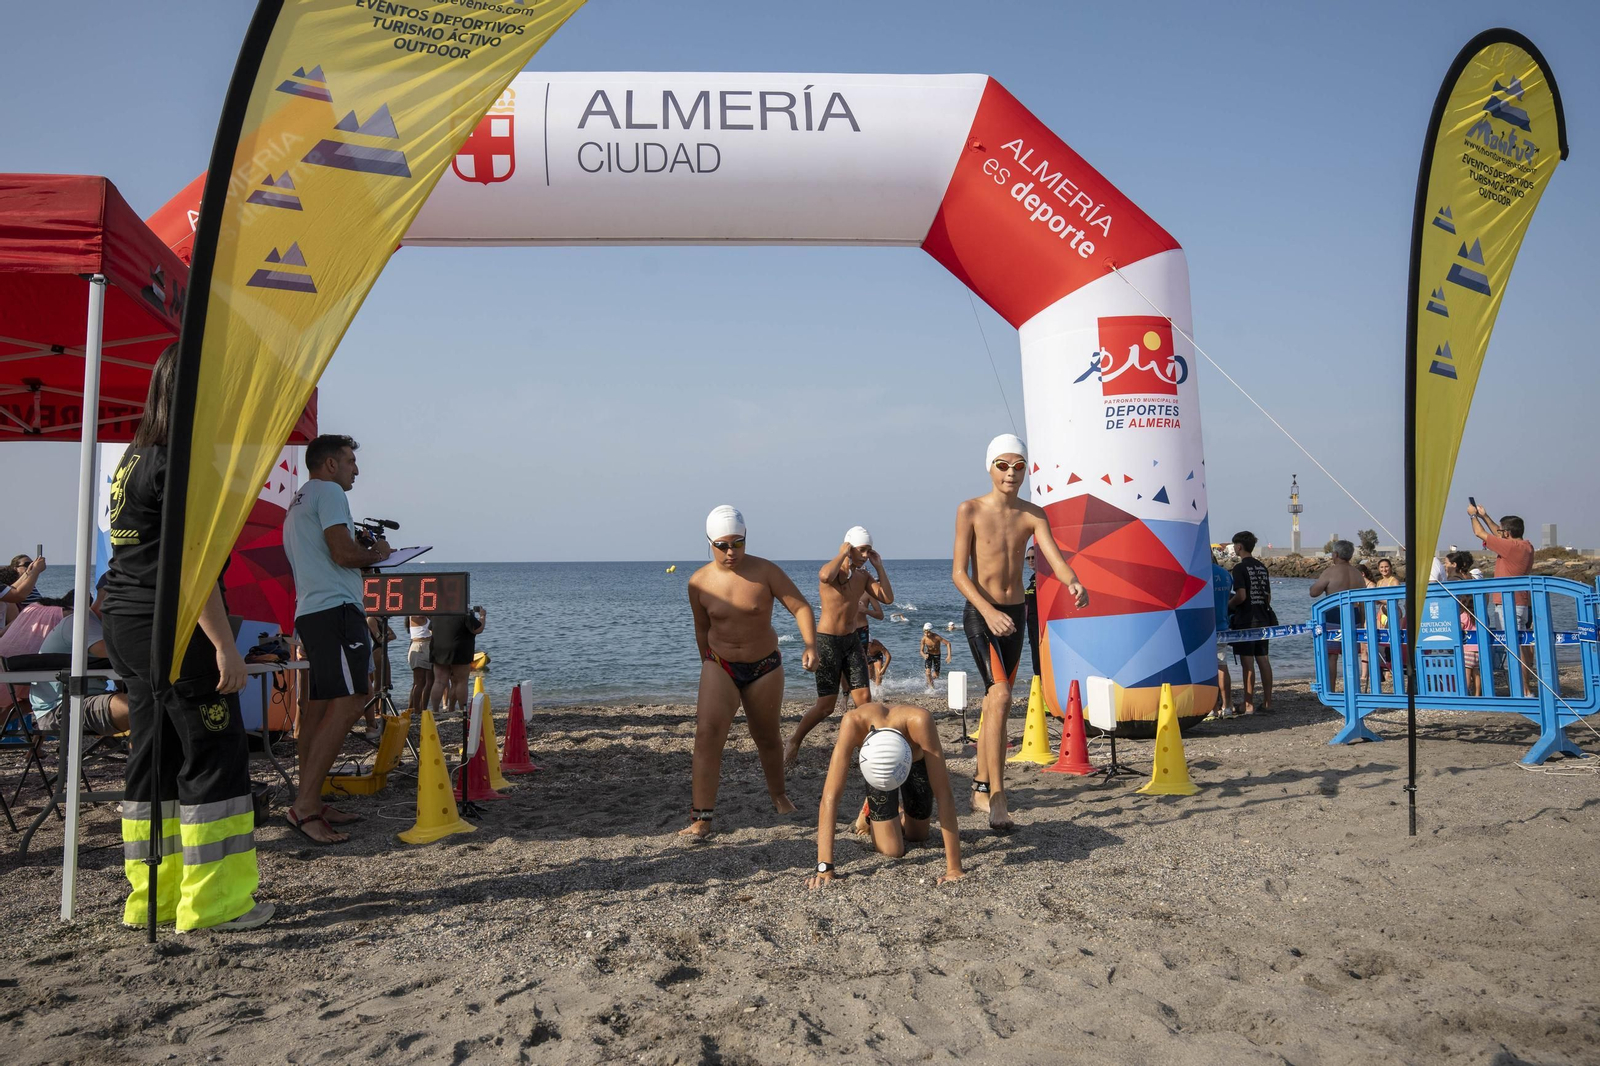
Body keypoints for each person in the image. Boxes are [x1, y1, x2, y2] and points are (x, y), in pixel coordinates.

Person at [99, 343, 270, 931]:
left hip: (124, 617)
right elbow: (193, 566)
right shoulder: (182, 462)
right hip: (172, 624)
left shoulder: (135, 456)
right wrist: (225, 645)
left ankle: (153, 898)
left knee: (154, 757)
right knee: (211, 756)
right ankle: (217, 905)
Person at [953, 434, 1088, 832]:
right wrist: (989, 611)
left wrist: (1073, 582)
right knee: (1001, 696)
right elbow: (959, 573)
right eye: (1003, 465)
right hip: (983, 614)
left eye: (1018, 466)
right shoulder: (970, 509)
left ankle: (979, 787)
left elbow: (1054, 557)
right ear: (990, 467)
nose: (1011, 473)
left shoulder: (1033, 513)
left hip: (1014, 614)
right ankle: (997, 797)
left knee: (996, 706)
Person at [281, 433, 393, 845]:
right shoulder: (329, 492)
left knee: (317, 708)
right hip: (335, 612)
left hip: (311, 610)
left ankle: (309, 796)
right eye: (350, 461)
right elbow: (344, 555)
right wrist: (378, 553)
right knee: (350, 702)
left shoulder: (298, 500)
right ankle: (306, 806)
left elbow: (325, 555)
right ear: (330, 464)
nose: (356, 469)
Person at [683, 506, 817, 839]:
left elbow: (800, 606)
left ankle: (779, 795)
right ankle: (702, 818)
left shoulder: (766, 572)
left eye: (738, 544)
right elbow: (702, 628)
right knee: (706, 735)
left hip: (764, 667)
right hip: (720, 664)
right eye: (722, 545)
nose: (731, 552)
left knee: (767, 737)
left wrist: (810, 644)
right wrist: (706, 662)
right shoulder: (698, 582)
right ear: (709, 543)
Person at [807, 702, 963, 889]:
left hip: (916, 762)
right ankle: (870, 812)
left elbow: (944, 794)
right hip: (877, 772)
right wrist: (825, 868)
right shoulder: (853, 722)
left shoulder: (920, 721)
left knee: (918, 835)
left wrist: (954, 868)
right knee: (892, 850)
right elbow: (830, 797)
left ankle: (894, 811)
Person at [783, 527, 893, 767]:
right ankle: (795, 740)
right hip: (828, 641)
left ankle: (869, 750)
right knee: (826, 707)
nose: (865, 554)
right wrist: (843, 553)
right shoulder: (830, 573)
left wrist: (879, 567)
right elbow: (824, 576)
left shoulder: (863, 576)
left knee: (864, 700)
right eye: (861, 550)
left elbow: (887, 598)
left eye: (868, 550)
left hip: (852, 641)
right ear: (849, 547)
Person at [29, 585, 130, 736]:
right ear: (109, 595)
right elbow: (115, 653)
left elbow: (118, 666)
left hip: (83, 699)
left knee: (151, 702)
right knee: (146, 705)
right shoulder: (80, 622)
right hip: (62, 708)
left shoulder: (99, 626)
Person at [1468, 504, 1537, 696]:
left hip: (1509, 604)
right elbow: (1497, 534)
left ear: (1506, 533)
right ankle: (1524, 688)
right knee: (1520, 644)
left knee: (1514, 648)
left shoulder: (1511, 547)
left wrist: (1473, 517)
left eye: (1502, 530)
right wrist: (1485, 515)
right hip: (1520, 602)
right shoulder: (1525, 546)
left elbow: (1479, 533)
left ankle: (1524, 689)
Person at [1227, 531, 1275, 713]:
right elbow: (1268, 597)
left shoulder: (1239, 568)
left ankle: (1248, 704)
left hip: (1246, 620)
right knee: (1263, 659)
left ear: (1239, 546)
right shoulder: (1262, 567)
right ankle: (1268, 701)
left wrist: (1228, 606)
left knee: (1248, 663)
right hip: (1263, 617)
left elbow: (1241, 596)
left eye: (1234, 545)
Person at [1310, 539, 1365, 693]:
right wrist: (1363, 621)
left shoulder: (1330, 572)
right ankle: (1353, 690)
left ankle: (1331, 691)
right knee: (1351, 656)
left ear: (1335, 554)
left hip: (1334, 614)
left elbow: (1314, 592)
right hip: (1354, 615)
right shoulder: (1357, 574)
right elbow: (1362, 601)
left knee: (1331, 657)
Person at [431, 607, 486, 715]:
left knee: (439, 681)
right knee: (461, 681)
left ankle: (435, 711)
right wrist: (483, 616)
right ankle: (462, 710)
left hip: (438, 649)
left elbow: (431, 629)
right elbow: (478, 629)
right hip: (460, 650)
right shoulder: (464, 612)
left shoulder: (437, 613)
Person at [1211, 555, 1234, 715]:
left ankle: (1212, 707)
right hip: (1223, 623)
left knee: (1206, 669)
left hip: (1204, 626)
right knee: (1222, 665)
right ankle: (1227, 706)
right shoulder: (1226, 574)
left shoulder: (1200, 573)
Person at [405, 614, 434, 712]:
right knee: (419, 681)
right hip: (420, 646)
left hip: (429, 645)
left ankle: (422, 708)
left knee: (429, 681)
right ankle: (416, 709)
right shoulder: (415, 615)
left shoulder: (426, 615)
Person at [919, 622, 951, 690]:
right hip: (929, 655)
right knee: (928, 673)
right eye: (925, 632)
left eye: (928, 632)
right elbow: (921, 651)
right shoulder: (924, 639)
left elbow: (948, 643)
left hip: (937, 655)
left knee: (936, 675)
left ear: (931, 631)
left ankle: (929, 681)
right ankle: (932, 688)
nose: (926, 634)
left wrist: (949, 655)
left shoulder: (936, 637)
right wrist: (924, 655)